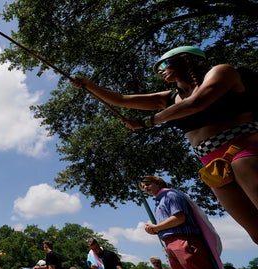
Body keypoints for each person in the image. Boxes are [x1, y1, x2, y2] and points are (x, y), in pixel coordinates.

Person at [72, 46, 258, 245]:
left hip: (243, 150)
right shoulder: (169, 98)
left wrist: (148, 121)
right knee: (255, 233)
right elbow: (121, 100)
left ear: (188, 59)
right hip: (211, 165)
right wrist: (88, 85)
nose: (160, 70)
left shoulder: (221, 72)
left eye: (164, 63)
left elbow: (196, 103)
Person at [141, 176, 243, 269]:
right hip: (170, 244)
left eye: (147, 184)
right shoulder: (158, 201)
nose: (145, 188)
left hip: (184, 241)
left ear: (158, 182)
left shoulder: (171, 195)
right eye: (142, 187)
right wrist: (156, 230)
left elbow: (180, 217)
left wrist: (156, 227)